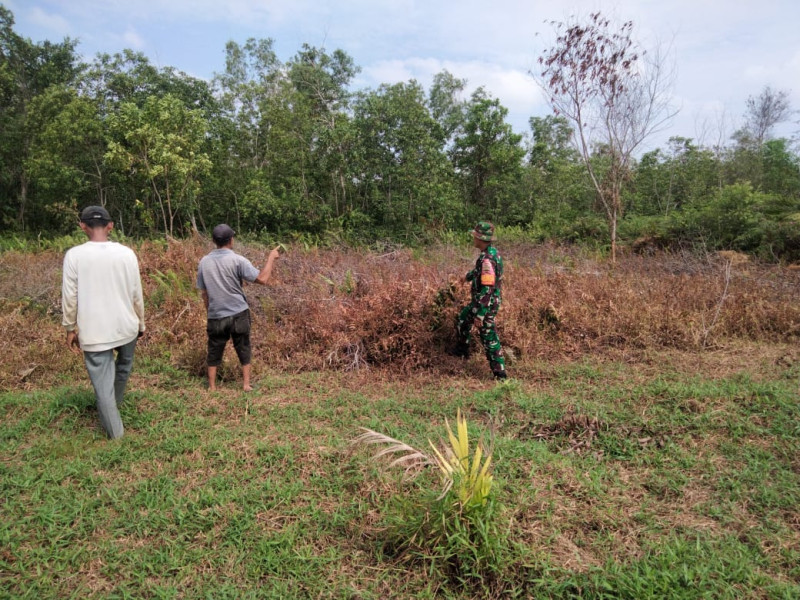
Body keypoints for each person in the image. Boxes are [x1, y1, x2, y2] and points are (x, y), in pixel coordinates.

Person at [61, 205, 146, 439]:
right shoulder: (127, 253)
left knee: (102, 384)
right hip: (126, 326)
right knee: (124, 367)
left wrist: (70, 327)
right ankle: (113, 408)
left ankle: (116, 432)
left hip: (94, 331)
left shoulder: (74, 256)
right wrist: (141, 323)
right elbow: (136, 293)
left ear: (82, 226)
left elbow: (70, 296)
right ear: (110, 226)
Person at [196, 224, 280, 391]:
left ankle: (212, 387)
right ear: (231, 240)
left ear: (214, 241)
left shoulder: (204, 262)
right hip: (238, 312)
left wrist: (210, 311)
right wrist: (271, 257)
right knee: (243, 346)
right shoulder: (237, 260)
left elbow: (204, 293)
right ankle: (246, 384)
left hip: (216, 314)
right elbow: (262, 279)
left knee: (214, 349)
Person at [452, 221, 507, 379]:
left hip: (486, 304)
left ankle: (500, 373)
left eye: (475, 236)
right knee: (463, 318)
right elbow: (478, 272)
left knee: (488, 336)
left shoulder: (487, 260)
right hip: (480, 302)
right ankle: (463, 349)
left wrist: (480, 314)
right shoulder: (490, 253)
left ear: (480, 238)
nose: (473, 238)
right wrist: (466, 277)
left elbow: (487, 289)